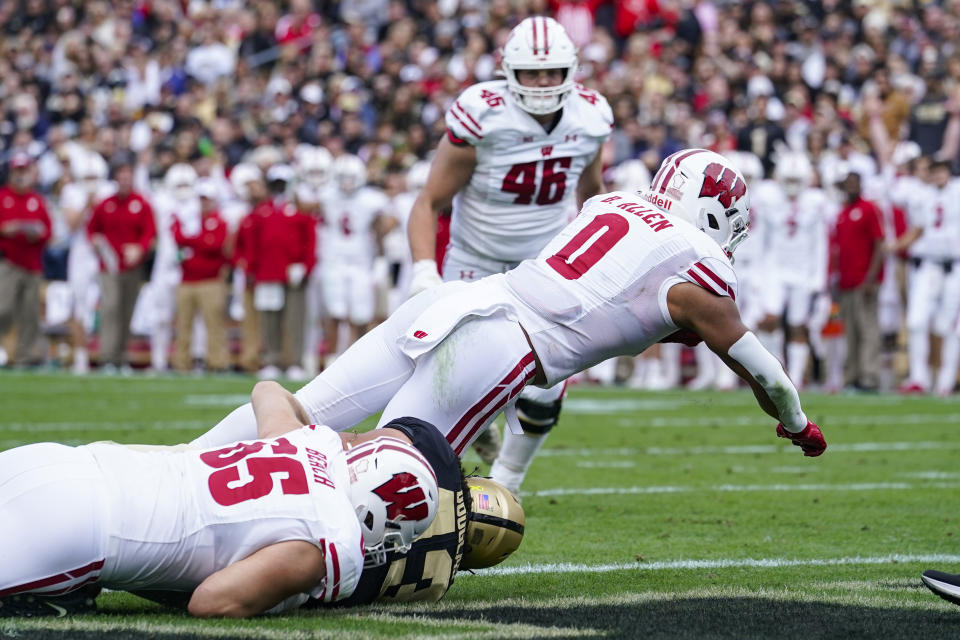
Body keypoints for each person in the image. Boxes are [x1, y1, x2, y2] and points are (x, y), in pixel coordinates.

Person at [193, 150, 828, 501]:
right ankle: (254, 533)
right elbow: (765, 371)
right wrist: (798, 424)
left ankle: (185, 469)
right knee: (382, 481)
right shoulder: (700, 264)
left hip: (452, 299)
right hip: (499, 345)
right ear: (718, 215)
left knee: (311, 405)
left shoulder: (611, 201)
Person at [0, 381, 439, 618]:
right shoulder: (327, 538)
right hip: (81, 531)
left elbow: (267, 390)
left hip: (70, 461)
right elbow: (212, 601)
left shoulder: (307, 443)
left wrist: (319, 437)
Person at [406, 16, 611, 490]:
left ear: (572, 71)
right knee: (448, 384)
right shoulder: (484, 114)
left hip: (543, 264)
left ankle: (508, 481)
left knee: (550, 380)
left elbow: (593, 195)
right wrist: (423, 269)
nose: (542, 83)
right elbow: (429, 201)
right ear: (507, 72)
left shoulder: (591, 118)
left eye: (552, 72)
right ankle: (467, 435)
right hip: (473, 261)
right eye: (531, 73)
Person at [752, 150, 831, 387]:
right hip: (774, 267)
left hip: (803, 270)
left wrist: (819, 275)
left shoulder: (816, 201)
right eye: (789, 180)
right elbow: (760, 239)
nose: (793, 185)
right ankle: (775, 370)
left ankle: (795, 377)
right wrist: (759, 272)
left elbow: (820, 242)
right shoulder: (769, 197)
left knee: (799, 324)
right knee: (769, 318)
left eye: (797, 180)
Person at [319, 154, 393, 368]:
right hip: (334, 261)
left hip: (361, 262)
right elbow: (304, 205)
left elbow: (382, 229)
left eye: (351, 177)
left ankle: (357, 362)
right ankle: (331, 360)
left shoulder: (372, 199)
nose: (347, 182)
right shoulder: (327, 195)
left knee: (361, 314)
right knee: (335, 312)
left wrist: (380, 260)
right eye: (342, 177)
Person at [86, 155, 157, 371]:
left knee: (127, 310)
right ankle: (107, 356)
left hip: (132, 268)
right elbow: (92, 229)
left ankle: (120, 356)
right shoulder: (106, 204)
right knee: (111, 307)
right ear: (116, 178)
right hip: (109, 267)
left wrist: (139, 249)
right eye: (121, 175)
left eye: (128, 175)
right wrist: (96, 241)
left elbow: (149, 233)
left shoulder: (141, 203)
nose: (125, 179)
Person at [831, 170, 886, 391]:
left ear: (861, 185)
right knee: (851, 331)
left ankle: (869, 377)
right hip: (846, 281)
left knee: (868, 329)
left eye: (854, 183)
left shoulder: (869, 209)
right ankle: (852, 376)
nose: (851, 187)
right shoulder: (843, 212)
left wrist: (871, 278)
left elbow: (880, 244)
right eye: (848, 184)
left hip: (864, 281)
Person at [171, 178, 230, 372]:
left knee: (214, 324)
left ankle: (217, 362)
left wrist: (192, 241)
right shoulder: (191, 218)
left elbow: (215, 244)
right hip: (187, 280)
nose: (204, 203)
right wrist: (198, 241)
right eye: (201, 199)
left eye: (207, 199)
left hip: (210, 281)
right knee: (183, 325)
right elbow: (178, 236)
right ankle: (182, 362)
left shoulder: (218, 221)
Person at [0, 151, 52, 366]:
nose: (20, 175)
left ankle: (26, 356)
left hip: (32, 263)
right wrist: (5, 230)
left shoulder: (36, 200)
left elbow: (48, 231)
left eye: (24, 170)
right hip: (8, 262)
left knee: (29, 314)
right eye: (17, 171)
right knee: (3, 308)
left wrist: (36, 234)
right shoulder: (3, 197)